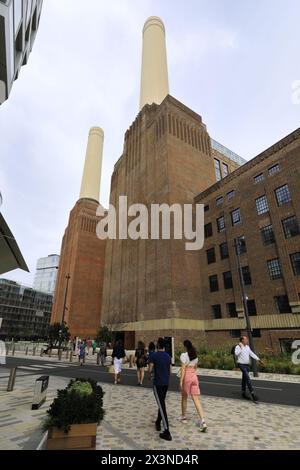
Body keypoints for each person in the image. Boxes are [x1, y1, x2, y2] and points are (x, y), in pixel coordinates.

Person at [179, 340, 207, 432]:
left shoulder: (184, 355)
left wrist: (181, 380)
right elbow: (195, 367)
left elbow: (183, 368)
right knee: (196, 399)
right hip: (194, 376)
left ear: (185, 347)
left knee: (184, 397)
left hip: (187, 376)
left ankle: (183, 417)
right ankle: (203, 421)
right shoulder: (195, 356)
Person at [148, 338, 172, 441]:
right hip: (166, 383)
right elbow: (170, 370)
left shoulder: (154, 355)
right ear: (164, 346)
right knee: (161, 403)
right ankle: (158, 422)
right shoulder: (168, 356)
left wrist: (152, 371)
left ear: (157, 346)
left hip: (157, 383)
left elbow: (150, 369)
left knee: (162, 405)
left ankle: (167, 431)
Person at [235, 336, 261, 402]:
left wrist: (258, 359)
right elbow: (236, 354)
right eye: (245, 339)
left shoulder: (247, 347)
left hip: (247, 365)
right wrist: (241, 347)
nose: (247, 340)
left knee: (244, 379)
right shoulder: (238, 347)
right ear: (242, 340)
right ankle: (253, 394)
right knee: (248, 378)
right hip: (241, 364)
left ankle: (243, 392)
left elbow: (251, 354)